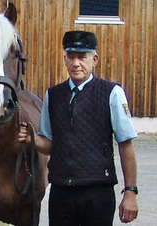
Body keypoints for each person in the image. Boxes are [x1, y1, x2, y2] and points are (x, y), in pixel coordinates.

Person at [17, 30, 139, 225]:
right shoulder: (53, 95)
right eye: (71, 57)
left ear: (94, 59)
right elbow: (49, 143)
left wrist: (130, 191)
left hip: (97, 192)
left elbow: (126, 144)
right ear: (65, 59)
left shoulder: (111, 93)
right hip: (61, 192)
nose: (76, 63)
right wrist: (33, 140)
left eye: (82, 57)